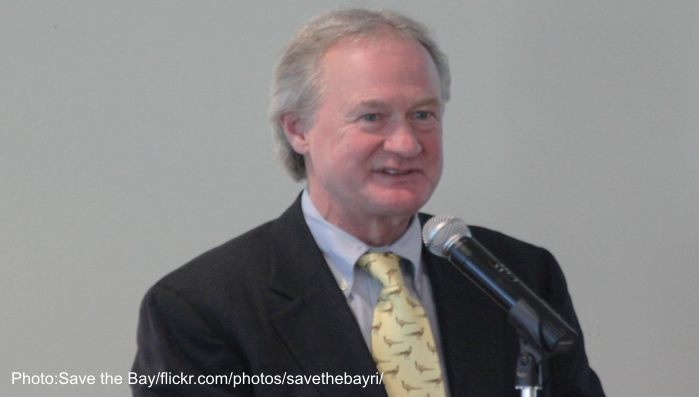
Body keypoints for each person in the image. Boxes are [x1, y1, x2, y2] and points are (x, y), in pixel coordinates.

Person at [131, 8, 605, 397]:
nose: (406, 143)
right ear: (298, 129)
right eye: (372, 117)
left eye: (423, 114)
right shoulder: (202, 309)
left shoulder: (517, 273)